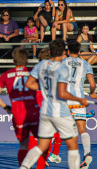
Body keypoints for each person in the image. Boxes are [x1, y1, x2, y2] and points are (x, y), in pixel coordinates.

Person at [20, 39, 89, 169]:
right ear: (63, 52)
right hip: (58, 111)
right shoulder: (62, 68)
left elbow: (29, 84)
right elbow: (62, 93)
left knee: (41, 145)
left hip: (45, 111)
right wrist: (80, 100)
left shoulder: (40, 66)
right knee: (72, 144)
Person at [0, 48, 42, 167]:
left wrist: (6, 107)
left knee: (23, 145)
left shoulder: (6, 75)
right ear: (27, 61)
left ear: (13, 61)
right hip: (33, 110)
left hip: (18, 113)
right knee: (42, 142)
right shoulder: (33, 71)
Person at [63, 41, 97, 169]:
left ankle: (48, 155)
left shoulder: (62, 62)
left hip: (64, 99)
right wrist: (93, 93)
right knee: (82, 129)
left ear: (67, 50)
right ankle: (87, 154)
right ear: (79, 52)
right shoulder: (86, 64)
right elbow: (92, 84)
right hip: (79, 99)